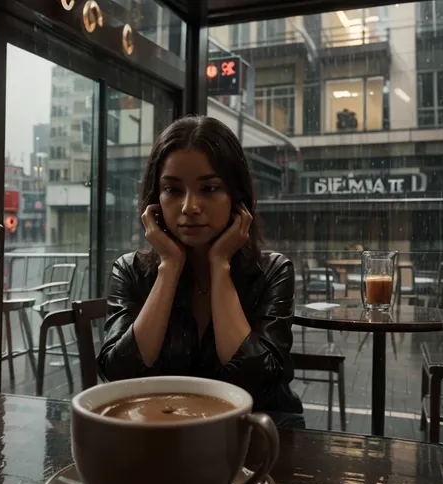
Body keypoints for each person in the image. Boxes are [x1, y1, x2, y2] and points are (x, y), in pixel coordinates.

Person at [98, 115, 304, 428]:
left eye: (209, 188)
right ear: (155, 200)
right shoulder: (129, 271)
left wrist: (220, 265)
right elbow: (119, 376)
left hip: (259, 436)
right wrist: (169, 266)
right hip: (160, 434)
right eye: (173, 190)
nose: (189, 207)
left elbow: (257, 384)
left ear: (237, 200)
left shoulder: (274, 271)